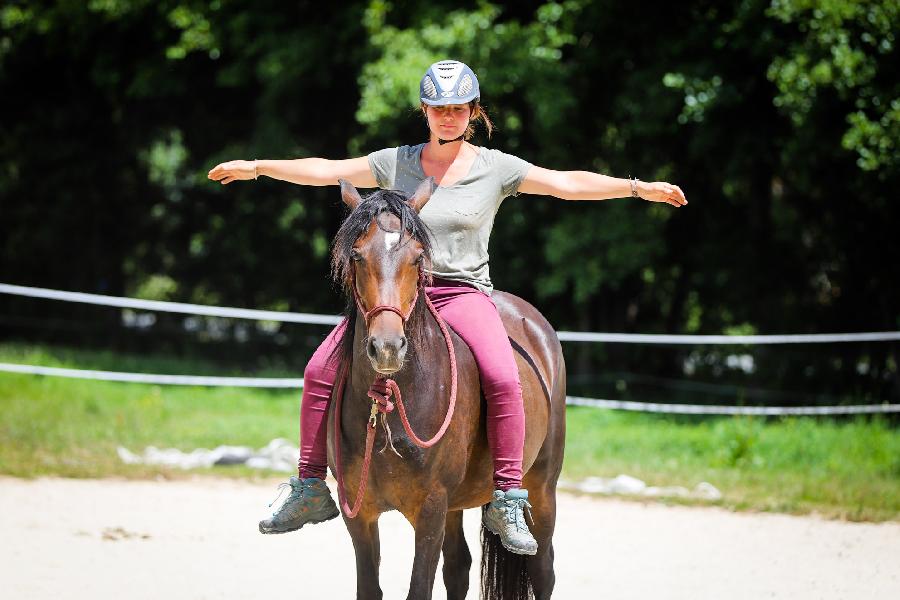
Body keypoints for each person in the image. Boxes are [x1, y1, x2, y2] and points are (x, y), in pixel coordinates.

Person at [207, 60, 687, 555]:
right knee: (318, 370)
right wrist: (258, 168)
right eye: (439, 109)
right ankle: (309, 486)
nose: (448, 118)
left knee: (502, 377)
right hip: (399, 296)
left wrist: (637, 188)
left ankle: (506, 495)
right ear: (425, 111)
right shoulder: (396, 161)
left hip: (462, 294)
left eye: (458, 109)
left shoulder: (495, 167)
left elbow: (565, 183)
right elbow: (328, 171)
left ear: (473, 113)